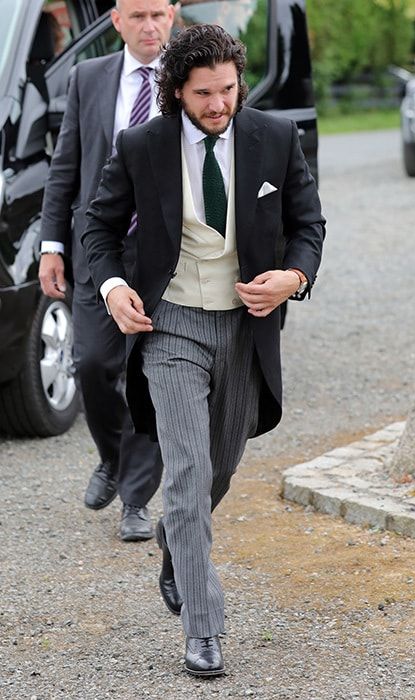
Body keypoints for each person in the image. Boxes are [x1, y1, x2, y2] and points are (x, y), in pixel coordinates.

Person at [81, 24, 325, 677]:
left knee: (218, 469)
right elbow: (98, 228)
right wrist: (110, 287)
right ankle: (204, 626)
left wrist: (293, 277)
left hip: (247, 331)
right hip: (172, 328)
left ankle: (174, 541)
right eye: (204, 93)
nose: (219, 103)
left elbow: (309, 225)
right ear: (178, 91)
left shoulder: (272, 138)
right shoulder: (141, 146)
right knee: (186, 476)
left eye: (228, 89)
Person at [38, 0, 175, 541]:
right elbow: (65, 165)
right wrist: (52, 244)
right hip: (99, 243)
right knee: (92, 362)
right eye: (137, 15)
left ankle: (136, 499)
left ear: (173, 17)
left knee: (146, 372)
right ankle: (112, 458)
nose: (149, 26)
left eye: (159, 14)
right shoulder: (87, 78)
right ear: (116, 20)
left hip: (166, 251)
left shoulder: (191, 77)